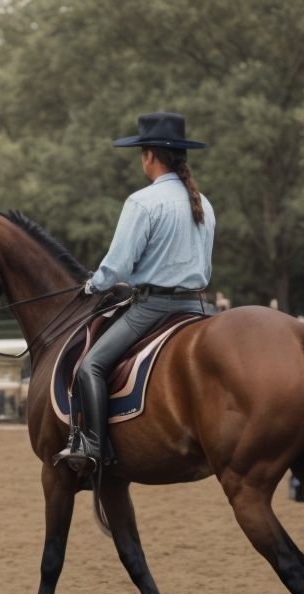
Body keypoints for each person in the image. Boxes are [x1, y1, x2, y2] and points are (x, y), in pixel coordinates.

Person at [56, 112, 215, 471]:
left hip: (154, 307)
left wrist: (93, 285)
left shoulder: (144, 202)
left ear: (149, 156)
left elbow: (117, 266)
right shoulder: (203, 203)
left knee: (90, 366)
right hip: (198, 307)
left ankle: (94, 447)